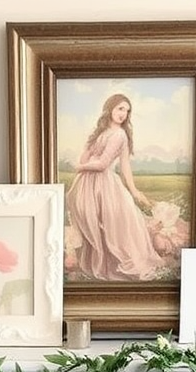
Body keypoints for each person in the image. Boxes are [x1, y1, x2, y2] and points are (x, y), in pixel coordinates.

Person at [67, 94, 164, 282]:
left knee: (111, 225)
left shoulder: (120, 135)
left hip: (104, 184)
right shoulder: (99, 132)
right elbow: (84, 157)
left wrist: (133, 190)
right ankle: (99, 263)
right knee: (94, 223)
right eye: (120, 108)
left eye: (127, 111)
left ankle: (110, 265)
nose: (123, 114)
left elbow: (105, 164)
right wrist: (85, 161)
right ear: (110, 108)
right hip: (87, 184)